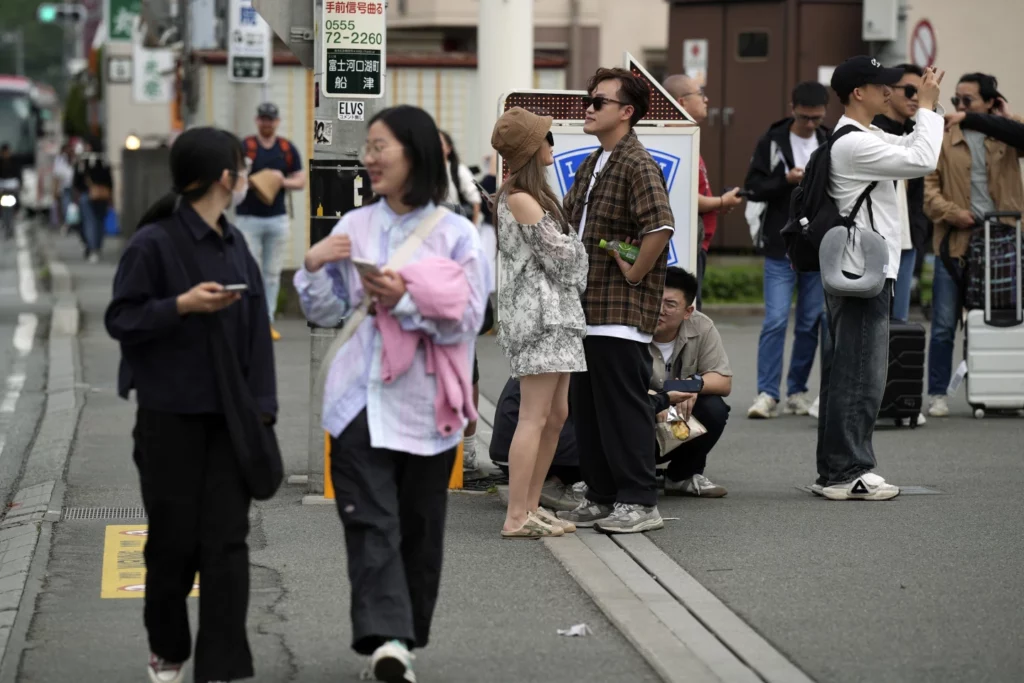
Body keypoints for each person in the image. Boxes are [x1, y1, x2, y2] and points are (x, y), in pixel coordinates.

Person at [294, 105, 487, 682]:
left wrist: (403, 298)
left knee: (420, 527)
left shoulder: (457, 234)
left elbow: (469, 321)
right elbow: (327, 311)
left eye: (382, 147)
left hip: (429, 407)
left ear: (416, 153)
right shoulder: (354, 225)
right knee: (370, 522)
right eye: (368, 147)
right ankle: (388, 645)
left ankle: (401, 637)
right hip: (358, 401)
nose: (369, 158)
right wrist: (311, 268)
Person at [105, 127, 276, 683]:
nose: (245, 175)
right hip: (167, 418)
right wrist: (180, 305)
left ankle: (223, 666)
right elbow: (122, 319)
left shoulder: (235, 243)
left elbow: (256, 334)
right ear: (224, 178)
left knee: (227, 543)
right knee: (173, 541)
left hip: (230, 420)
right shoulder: (153, 243)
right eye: (240, 167)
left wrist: (263, 410)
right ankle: (169, 649)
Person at [817, 57, 944, 501]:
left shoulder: (865, 135)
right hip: (863, 272)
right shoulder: (853, 144)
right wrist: (927, 107)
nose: (891, 93)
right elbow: (923, 158)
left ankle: (835, 469)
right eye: (882, 86)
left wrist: (927, 110)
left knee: (846, 372)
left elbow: (913, 144)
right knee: (861, 376)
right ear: (859, 92)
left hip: (860, 268)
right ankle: (847, 470)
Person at [556, 67, 675, 534]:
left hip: (618, 313)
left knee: (622, 408)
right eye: (590, 99)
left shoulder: (636, 162)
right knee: (589, 410)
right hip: (586, 309)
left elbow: (660, 227)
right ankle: (603, 495)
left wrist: (635, 274)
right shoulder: (595, 161)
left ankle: (640, 501)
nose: (588, 106)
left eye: (598, 101)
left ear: (626, 112)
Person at [490, 106, 589, 538]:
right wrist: (577, 247)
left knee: (555, 414)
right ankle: (517, 514)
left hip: (556, 317)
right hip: (541, 319)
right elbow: (565, 260)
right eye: (546, 138)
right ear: (532, 148)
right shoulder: (521, 199)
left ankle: (530, 506)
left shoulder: (529, 197)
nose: (553, 144)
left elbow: (565, 258)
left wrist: (573, 248)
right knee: (535, 416)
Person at [923, 73, 1024, 418]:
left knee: (995, 321)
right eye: (955, 101)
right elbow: (928, 191)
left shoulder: (1006, 135)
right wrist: (954, 214)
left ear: (989, 103)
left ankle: (989, 391)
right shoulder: (943, 136)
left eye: (967, 101)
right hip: (955, 241)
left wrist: (1004, 117)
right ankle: (937, 392)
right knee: (943, 323)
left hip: (1001, 245)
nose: (959, 108)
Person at [744, 81, 830, 419]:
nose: (810, 124)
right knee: (776, 320)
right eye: (805, 117)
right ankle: (767, 393)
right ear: (792, 107)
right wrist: (787, 181)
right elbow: (753, 186)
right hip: (781, 244)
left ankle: (796, 391)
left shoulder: (829, 139)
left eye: (817, 118)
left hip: (818, 244)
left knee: (811, 322)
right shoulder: (771, 141)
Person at [649, 267, 733, 497]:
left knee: (714, 407)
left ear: (688, 311)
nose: (660, 309)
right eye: (655, 299)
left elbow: (723, 381)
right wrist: (658, 401)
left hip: (675, 420)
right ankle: (629, 477)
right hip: (640, 417)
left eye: (670, 304)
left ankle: (681, 476)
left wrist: (691, 386)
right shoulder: (630, 325)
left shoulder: (702, 325)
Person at [662, 73, 744, 308]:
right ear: (681, 102)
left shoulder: (687, 138)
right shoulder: (674, 140)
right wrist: (720, 202)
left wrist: (719, 203)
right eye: (700, 94)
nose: (706, 100)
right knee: (686, 314)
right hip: (685, 246)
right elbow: (682, 197)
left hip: (697, 242)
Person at [236, 102, 306, 342]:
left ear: (277, 122)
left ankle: (267, 321)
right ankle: (247, 321)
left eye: (271, 119)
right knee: (249, 270)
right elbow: (234, 175)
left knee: (272, 273)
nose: (267, 123)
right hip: (248, 217)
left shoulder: (286, 149)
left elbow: (301, 180)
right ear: (257, 121)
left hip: (277, 217)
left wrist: (280, 181)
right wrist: (254, 180)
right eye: (263, 119)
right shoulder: (247, 147)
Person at [872, 64, 933, 323]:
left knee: (899, 324)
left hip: (908, 240)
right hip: (878, 242)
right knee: (874, 324)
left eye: (921, 92)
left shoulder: (913, 131)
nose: (916, 98)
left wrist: (919, 234)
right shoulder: (873, 131)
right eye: (910, 90)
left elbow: (919, 193)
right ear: (888, 91)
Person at [439, 130, 482, 225]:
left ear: (448, 148)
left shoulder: (459, 170)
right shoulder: (423, 172)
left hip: (454, 225)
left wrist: (473, 229)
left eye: (439, 143)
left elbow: (475, 200)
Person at [0, 144, 19, 240]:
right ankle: (6, 226)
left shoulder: (13, 161)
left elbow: (17, 174)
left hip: (11, 189)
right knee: (4, 210)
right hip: (3, 190)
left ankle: (11, 227)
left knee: (11, 209)